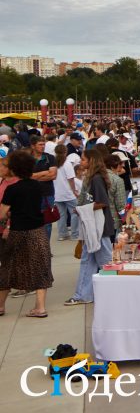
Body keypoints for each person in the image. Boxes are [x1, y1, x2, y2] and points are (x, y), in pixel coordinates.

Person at [0, 150, 53, 318]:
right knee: (40, 267)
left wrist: (10, 213)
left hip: (18, 232)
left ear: (14, 168)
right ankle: (40, 307)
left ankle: (0, 306)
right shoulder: (36, 186)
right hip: (37, 231)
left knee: (8, 268)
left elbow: (2, 213)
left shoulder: (12, 189)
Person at [64, 150, 116, 306]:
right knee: (88, 261)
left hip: (99, 227)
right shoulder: (93, 178)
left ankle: (114, 291)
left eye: (84, 159)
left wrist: (82, 209)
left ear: (92, 161)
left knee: (105, 262)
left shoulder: (97, 179)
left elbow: (102, 202)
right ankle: (83, 295)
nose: (81, 161)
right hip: (92, 227)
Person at [30, 136, 57, 240]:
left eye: (43, 144)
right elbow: (24, 176)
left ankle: (46, 249)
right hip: (31, 194)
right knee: (32, 222)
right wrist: (45, 173)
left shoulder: (50, 158)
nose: (42, 147)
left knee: (47, 222)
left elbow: (53, 175)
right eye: (40, 145)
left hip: (47, 193)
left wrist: (33, 176)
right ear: (33, 146)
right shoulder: (27, 159)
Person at [53, 146, 80, 241]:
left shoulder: (54, 163)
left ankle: (62, 234)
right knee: (75, 213)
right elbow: (71, 178)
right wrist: (74, 190)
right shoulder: (67, 163)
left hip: (57, 193)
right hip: (68, 193)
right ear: (66, 152)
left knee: (61, 215)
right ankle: (75, 234)